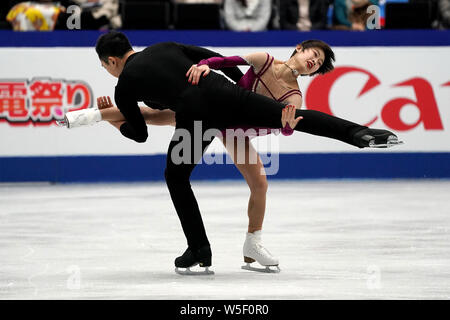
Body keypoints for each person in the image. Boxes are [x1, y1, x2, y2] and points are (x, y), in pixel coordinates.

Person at [66, 31, 402, 274]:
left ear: (111, 61)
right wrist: (231, 89)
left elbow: (138, 134)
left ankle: (200, 249)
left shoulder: (123, 85)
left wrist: (117, 123)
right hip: (227, 100)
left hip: (200, 118)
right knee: (291, 121)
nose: (311, 63)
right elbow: (210, 54)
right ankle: (359, 133)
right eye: (310, 56)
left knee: (176, 175)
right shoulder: (165, 46)